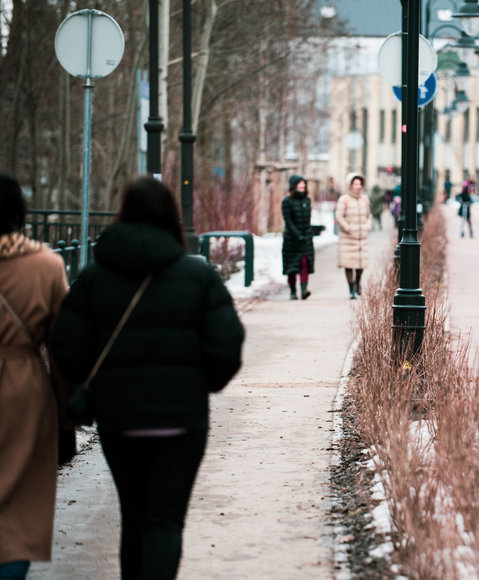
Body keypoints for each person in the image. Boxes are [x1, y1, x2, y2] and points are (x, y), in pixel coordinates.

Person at [50, 176, 245, 580]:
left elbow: (65, 344)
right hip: (182, 421)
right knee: (165, 520)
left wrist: (97, 383)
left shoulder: (94, 277)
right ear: (171, 218)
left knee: (134, 516)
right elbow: (226, 346)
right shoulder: (197, 277)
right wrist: (199, 383)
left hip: (120, 419)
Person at [0, 174, 70, 580]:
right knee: (20, 505)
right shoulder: (45, 265)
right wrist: (67, 418)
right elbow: (61, 349)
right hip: (23, 390)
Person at [335, 172, 372, 300]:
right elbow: (339, 216)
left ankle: (358, 282)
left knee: (361, 264)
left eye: (360, 184)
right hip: (348, 238)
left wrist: (367, 226)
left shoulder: (365, 199)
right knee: (349, 264)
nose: (358, 186)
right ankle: (351, 289)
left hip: (361, 237)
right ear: (350, 185)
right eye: (355, 184)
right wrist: (348, 228)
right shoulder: (343, 199)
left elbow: (369, 216)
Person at [282, 174, 315, 300]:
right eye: (300, 183)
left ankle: (304, 290)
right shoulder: (287, 201)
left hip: (306, 238)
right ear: (294, 186)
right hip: (291, 239)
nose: (303, 185)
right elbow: (288, 221)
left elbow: (308, 220)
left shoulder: (307, 200)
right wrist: (297, 234)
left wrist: (308, 233)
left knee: (305, 263)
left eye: (303, 183)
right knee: (291, 266)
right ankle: (292, 291)